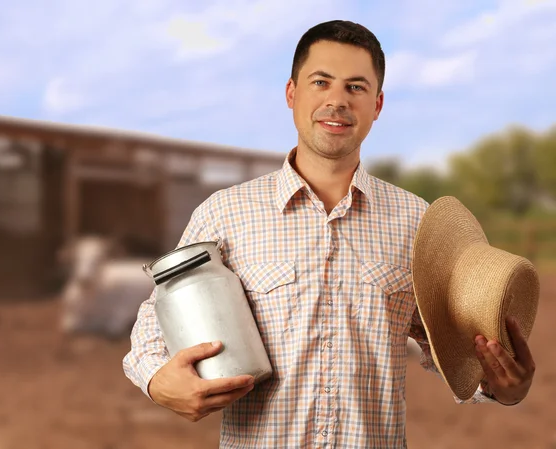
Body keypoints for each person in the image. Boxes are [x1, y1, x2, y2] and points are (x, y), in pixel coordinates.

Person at [122, 20, 536, 448]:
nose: (337, 101)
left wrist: (500, 387)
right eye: (321, 82)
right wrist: (158, 381)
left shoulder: (419, 224)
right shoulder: (225, 213)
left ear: (377, 105)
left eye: (356, 88)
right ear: (291, 93)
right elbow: (152, 328)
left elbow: (449, 350)